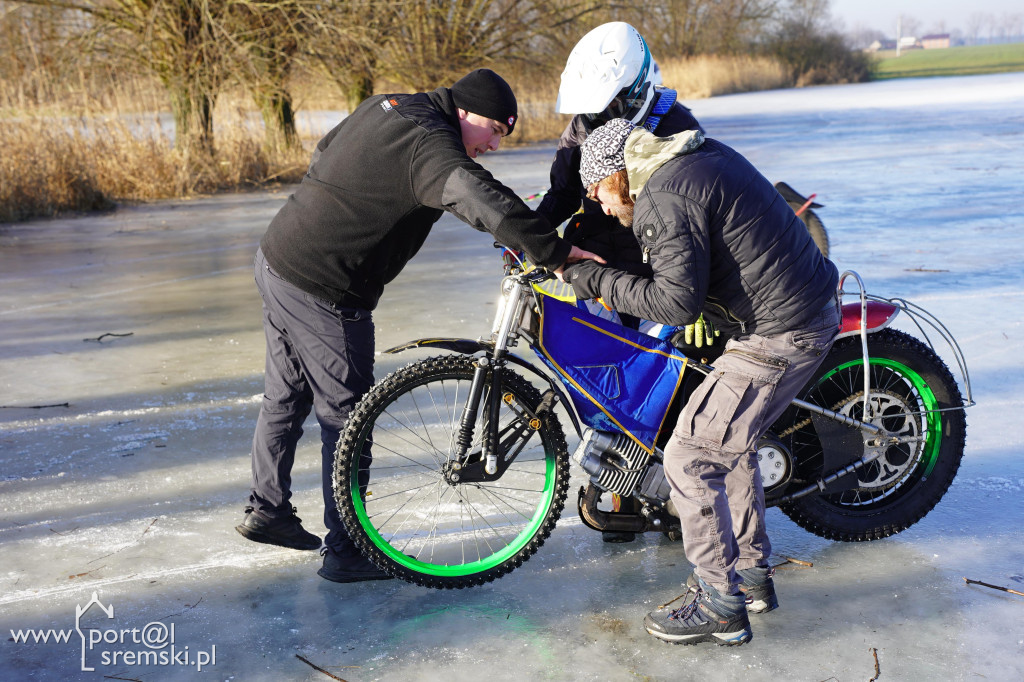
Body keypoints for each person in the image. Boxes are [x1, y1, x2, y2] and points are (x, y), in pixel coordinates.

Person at [236, 69, 602, 584]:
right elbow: (479, 197)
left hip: (279, 256)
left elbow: (325, 150)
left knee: (286, 395)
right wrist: (557, 252)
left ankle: (267, 509)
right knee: (348, 421)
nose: (495, 144)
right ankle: (348, 550)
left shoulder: (388, 104)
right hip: (327, 288)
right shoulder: (433, 146)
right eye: (495, 130)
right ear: (466, 113)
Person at [561, 119, 840, 646]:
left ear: (619, 175)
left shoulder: (663, 195)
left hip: (781, 332)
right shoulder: (691, 158)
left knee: (689, 455)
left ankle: (719, 603)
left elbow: (674, 302)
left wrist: (592, 279)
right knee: (728, 448)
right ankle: (752, 577)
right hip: (793, 314)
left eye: (596, 189)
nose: (598, 204)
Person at [538, 21, 706, 542]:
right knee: (608, 377)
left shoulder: (677, 126)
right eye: (589, 110)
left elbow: (701, 220)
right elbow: (563, 192)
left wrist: (699, 299)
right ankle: (616, 493)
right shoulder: (581, 128)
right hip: (597, 265)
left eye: (605, 106)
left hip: (658, 268)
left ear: (633, 92)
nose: (594, 118)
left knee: (666, 377)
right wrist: (535, 237)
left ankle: (676, 497)